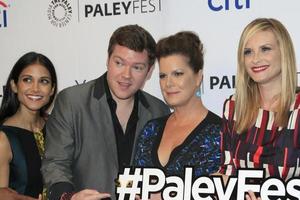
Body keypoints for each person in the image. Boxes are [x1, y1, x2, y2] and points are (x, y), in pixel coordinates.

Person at [41, 24, 170, 200]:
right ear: (108, 59)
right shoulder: (72, 102)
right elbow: (55, 163)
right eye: (119, 63)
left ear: (149, 71)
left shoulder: (159, 111)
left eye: (137, 67)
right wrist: (68, 196)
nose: (126, 75)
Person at [133, 31, 221, 199]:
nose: (168, 83)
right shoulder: (151, 129)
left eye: (178, 74)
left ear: (198, 77)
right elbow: (128, 182)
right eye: (163, 76)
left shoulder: (220, 133)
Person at [218, 18, 299, 200]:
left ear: (283, 52)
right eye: (248, 52)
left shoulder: (298, 110)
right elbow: (227, 171)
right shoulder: (233, 107)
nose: (255, 59)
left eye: (265, 49)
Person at [0, 52, 57, 199]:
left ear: (52, 89)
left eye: (44, 81)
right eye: (27, 80)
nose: (35, 88)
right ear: (14, 85)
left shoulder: (57, 127)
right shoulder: (3, 138)